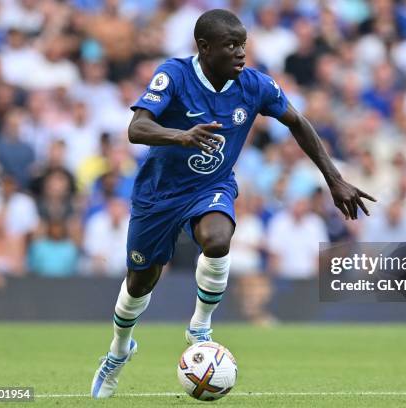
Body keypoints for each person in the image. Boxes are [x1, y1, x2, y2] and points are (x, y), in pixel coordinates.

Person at [91, 9, 376, 399]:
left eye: (243, 44)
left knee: (219, 238)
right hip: (158, 193)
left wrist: (334, 178)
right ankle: (118, 352)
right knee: (141, 282)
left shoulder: (255, 85)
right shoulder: (173, 75)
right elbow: (136, 128)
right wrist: (182, 136)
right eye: (230, 46)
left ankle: (200, 327)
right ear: (205, 48)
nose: (241, 53)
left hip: (211, 184)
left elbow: (297, 121)